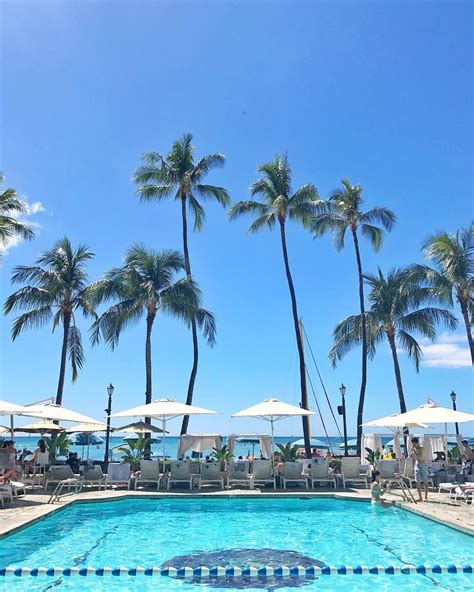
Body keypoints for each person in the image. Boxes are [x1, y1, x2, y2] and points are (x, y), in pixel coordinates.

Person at [411, 437, 430, 502]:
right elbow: (414, 458)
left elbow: (420, 456)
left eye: (414, 444)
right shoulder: (413, 449)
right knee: (417, 481)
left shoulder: (421, 448)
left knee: (425, 481)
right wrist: (413, 466)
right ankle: (420, 497)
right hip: (417, 464)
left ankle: (426, 497)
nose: (413, 445)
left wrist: (414, 451)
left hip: (423, 463)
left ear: (417, 443)